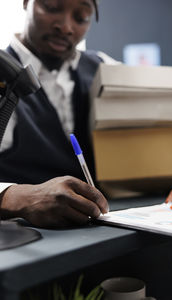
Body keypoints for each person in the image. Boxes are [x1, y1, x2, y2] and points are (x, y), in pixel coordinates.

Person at [0, 0, 114, 228]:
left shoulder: (105, 69)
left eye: (81, 17)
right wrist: (13, 196)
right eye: (52, 7)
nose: (66, 27)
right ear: (26, 3)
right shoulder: (4, 74)